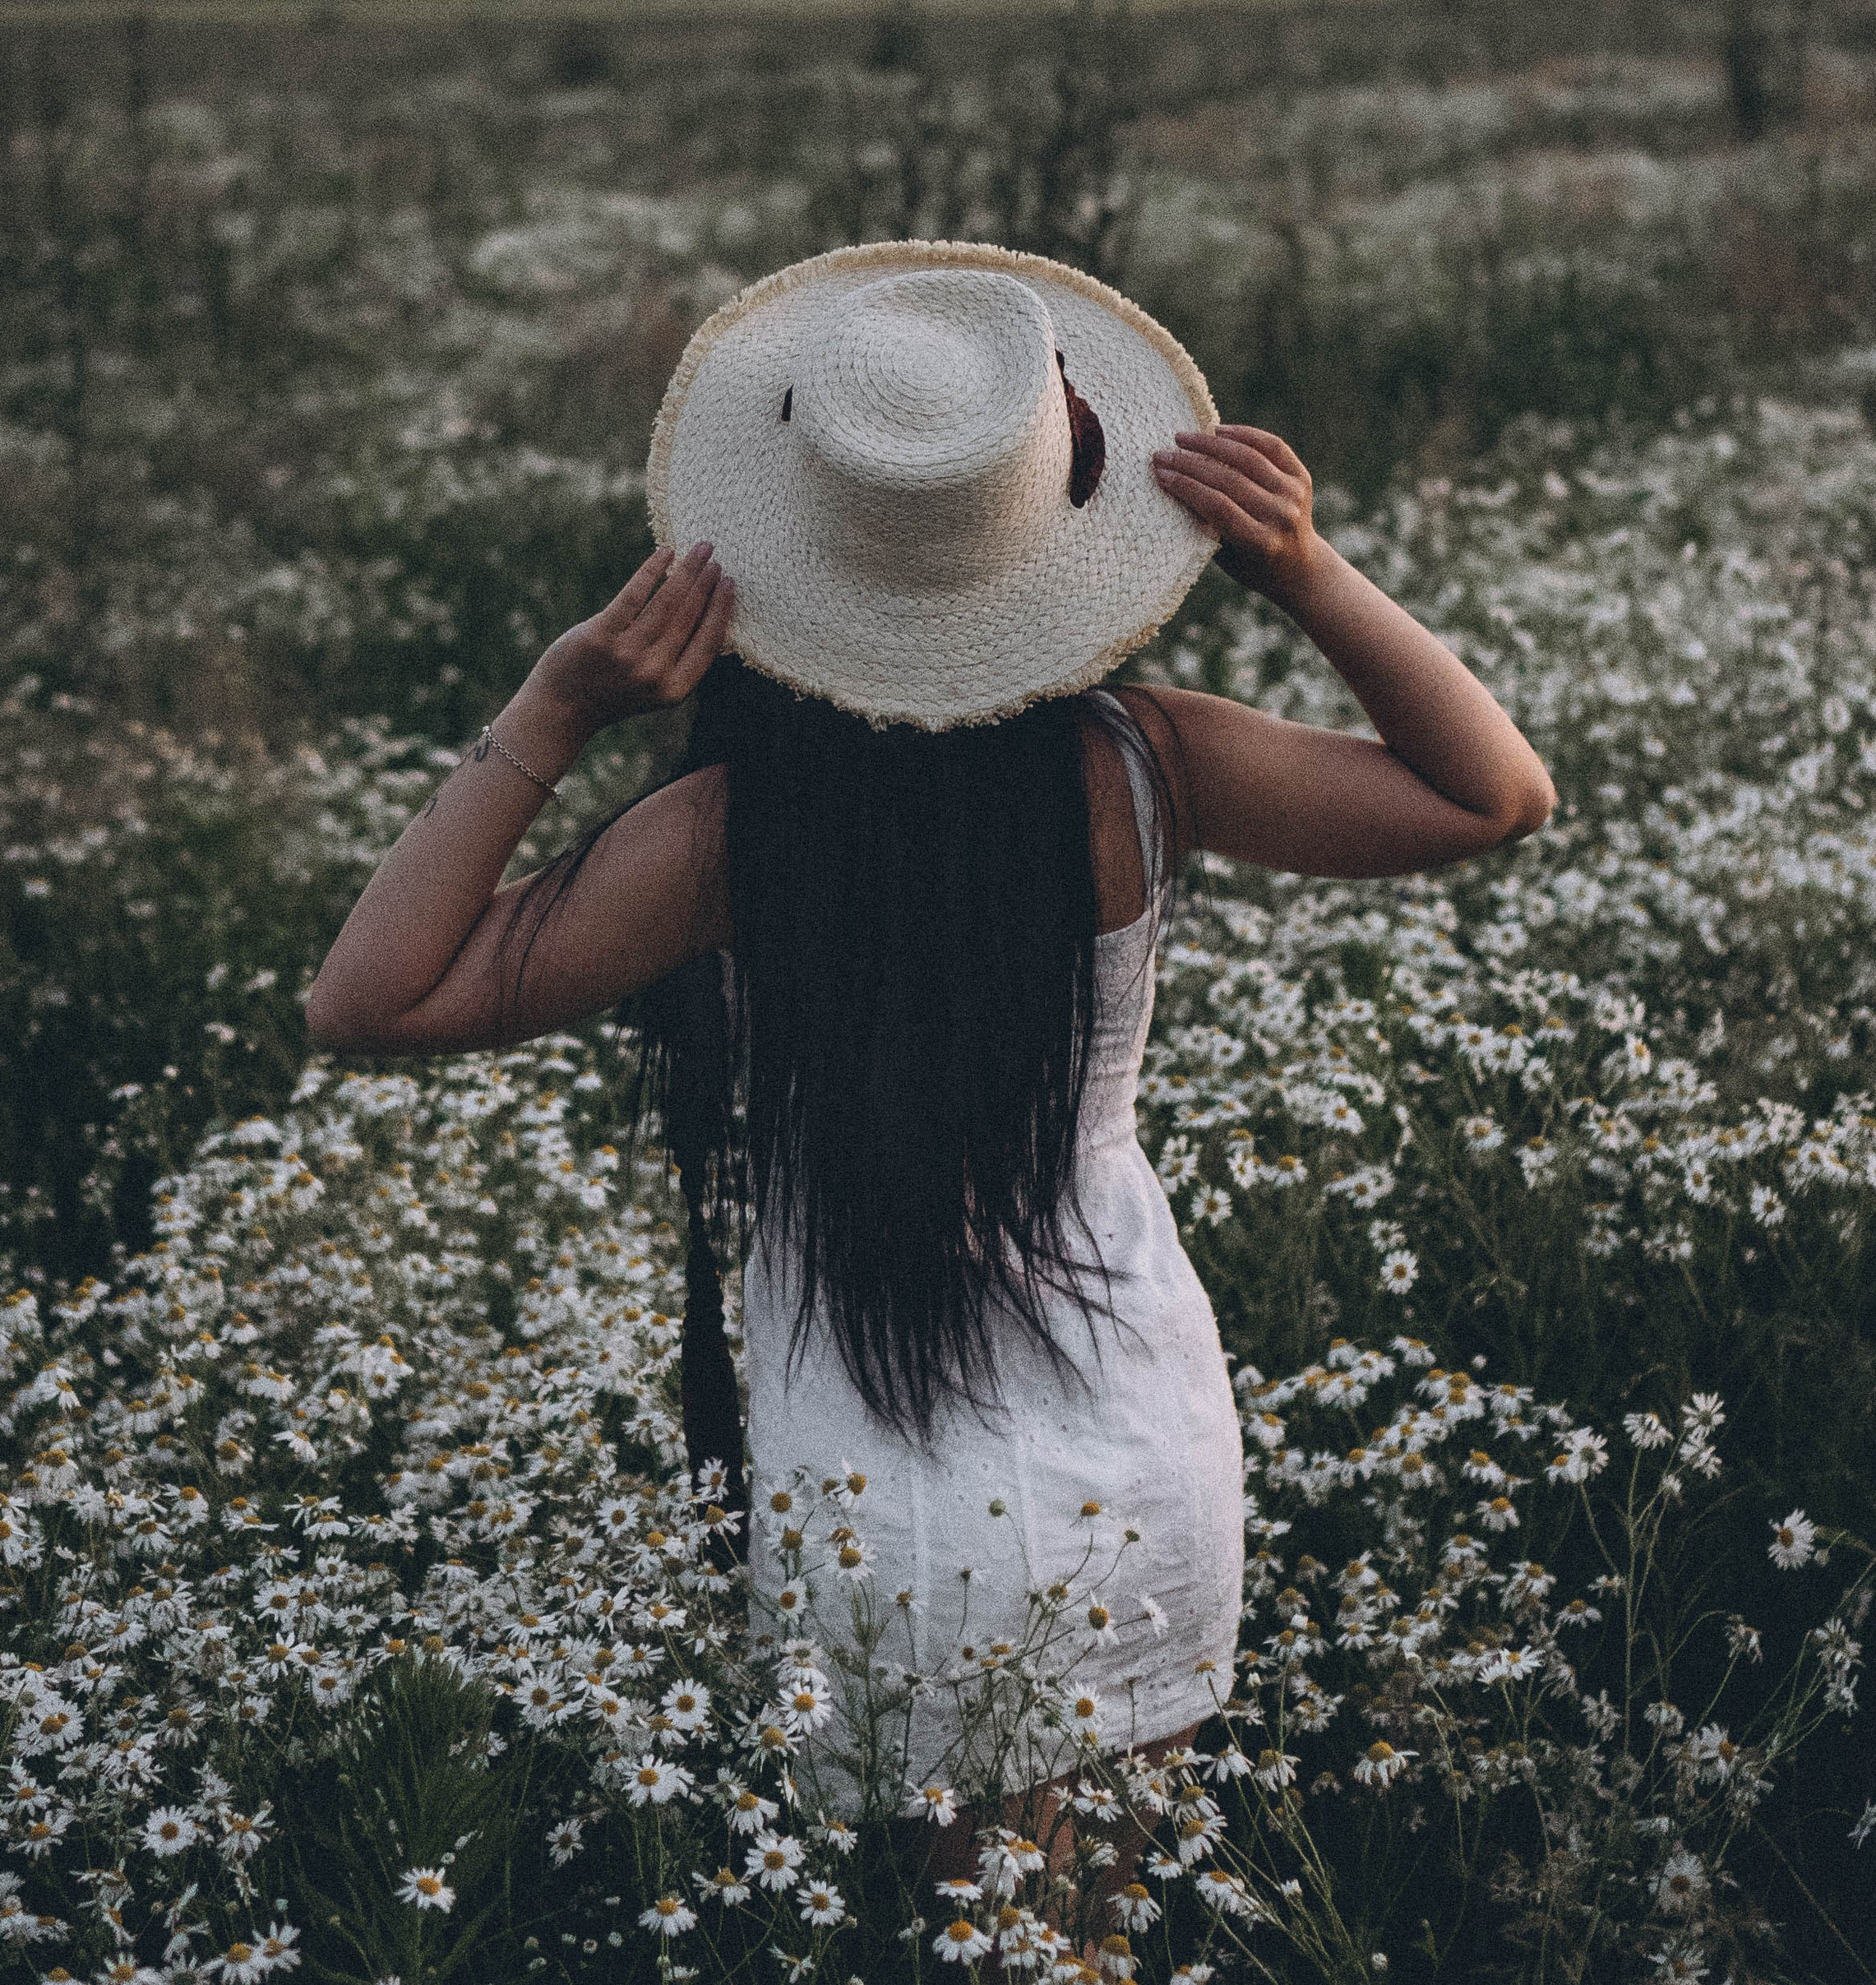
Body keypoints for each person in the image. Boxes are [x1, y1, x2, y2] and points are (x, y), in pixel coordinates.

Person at [307, 243, 1553, 1838]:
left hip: (877, 1477)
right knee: (1095, 1959)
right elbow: (1492, 796)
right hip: (1133, 1431)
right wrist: (1303, 570)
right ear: (1066, 504)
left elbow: (366, 1000)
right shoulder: (1143, 764)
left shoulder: (730, 835)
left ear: (776, 536)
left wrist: (551, 711)